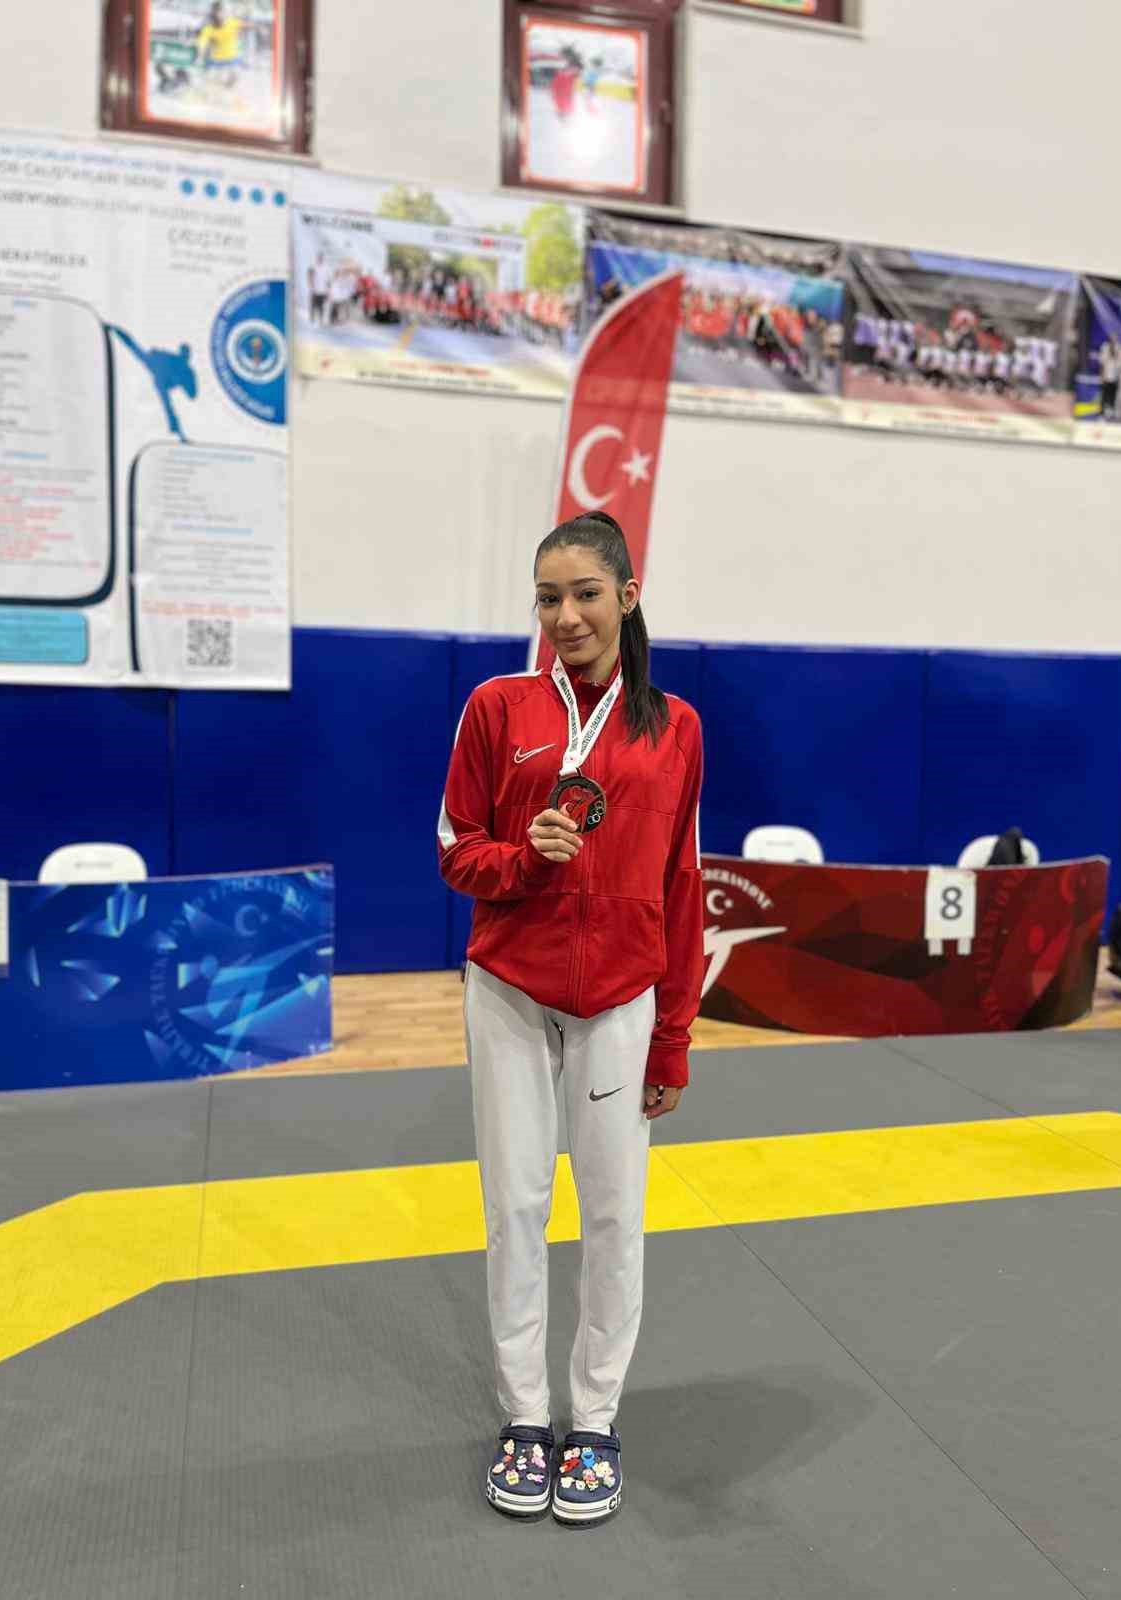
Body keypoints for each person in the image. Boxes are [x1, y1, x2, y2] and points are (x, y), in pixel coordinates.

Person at [437, 510, 704, 1528]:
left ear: (628, 596)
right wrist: (521, 859)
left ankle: (592, 1421)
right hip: (509, 990)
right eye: (549, 598)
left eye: (586, 594)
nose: (566, 616)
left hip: (621, 1000)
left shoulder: (674, 726)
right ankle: (524, 1415)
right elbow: (455, 849)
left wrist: (674, 1032)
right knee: (514, 1208)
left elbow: (681, 884)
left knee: (613, 1216)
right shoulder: (495, 707)